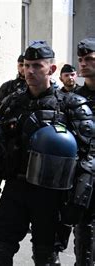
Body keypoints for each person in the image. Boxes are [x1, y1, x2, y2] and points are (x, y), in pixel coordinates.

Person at [0, 40, 94, 265]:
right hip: (16, 189)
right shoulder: (11, 103)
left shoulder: (72, 106)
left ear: (51, 69)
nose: (29, 71)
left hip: (52, 195)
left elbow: (89, 157)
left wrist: (78, 203)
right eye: (26, 65)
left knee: (45, 257)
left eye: (37, 66)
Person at [72, 37, 95, 266]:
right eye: (81, 59)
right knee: (85, 233)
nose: (83, 63)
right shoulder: (75, 99)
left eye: (89, 59)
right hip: (85, 175)